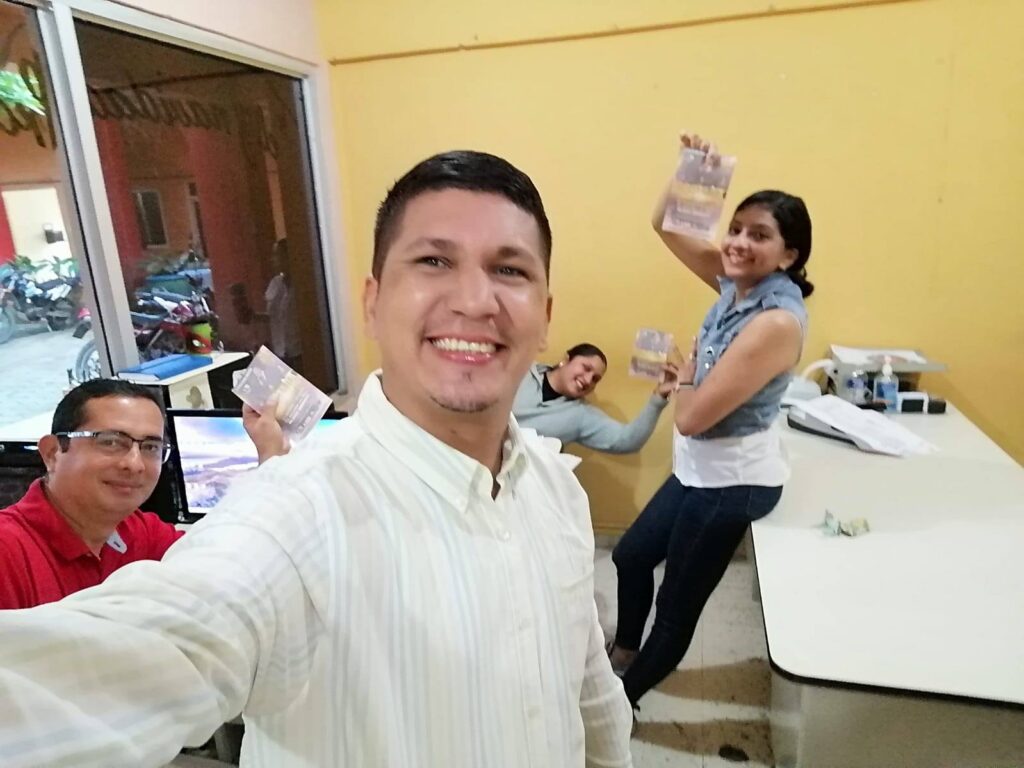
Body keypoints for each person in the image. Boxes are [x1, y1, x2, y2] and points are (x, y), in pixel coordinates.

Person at [0, 151, 633, 768]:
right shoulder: (295, 516)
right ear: (372, 304)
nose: (474, 299)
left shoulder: (556, 488)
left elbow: (589, 690)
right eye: (434, 261)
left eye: (510, 270)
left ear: (544, 318)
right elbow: (153, 642)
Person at [607, 133, 813, 708]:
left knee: (675, 609)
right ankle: (624, 652)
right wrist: (689, 171)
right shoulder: (734, 285)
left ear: (789, 255)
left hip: (733, 483)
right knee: (630, 556)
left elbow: (692, 418)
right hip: (700, 470)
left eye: (759, 235)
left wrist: (689, 370)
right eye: (736, 228)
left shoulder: (776, 321)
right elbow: (664, 226)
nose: (738, 242)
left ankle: (620, 704)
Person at [0, 379, 183, 610]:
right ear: (52, 453)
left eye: (150, 447)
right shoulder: (7, 554)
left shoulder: (140, 532)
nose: (135, 464)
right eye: (111, 442)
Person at [513, 342, 676, 453]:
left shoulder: (581, 415)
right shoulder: (520, 370)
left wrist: (658, 398)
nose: (587, 380)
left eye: (595, 379)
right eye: (586, 368)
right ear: (566, 360)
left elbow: (627, 440)